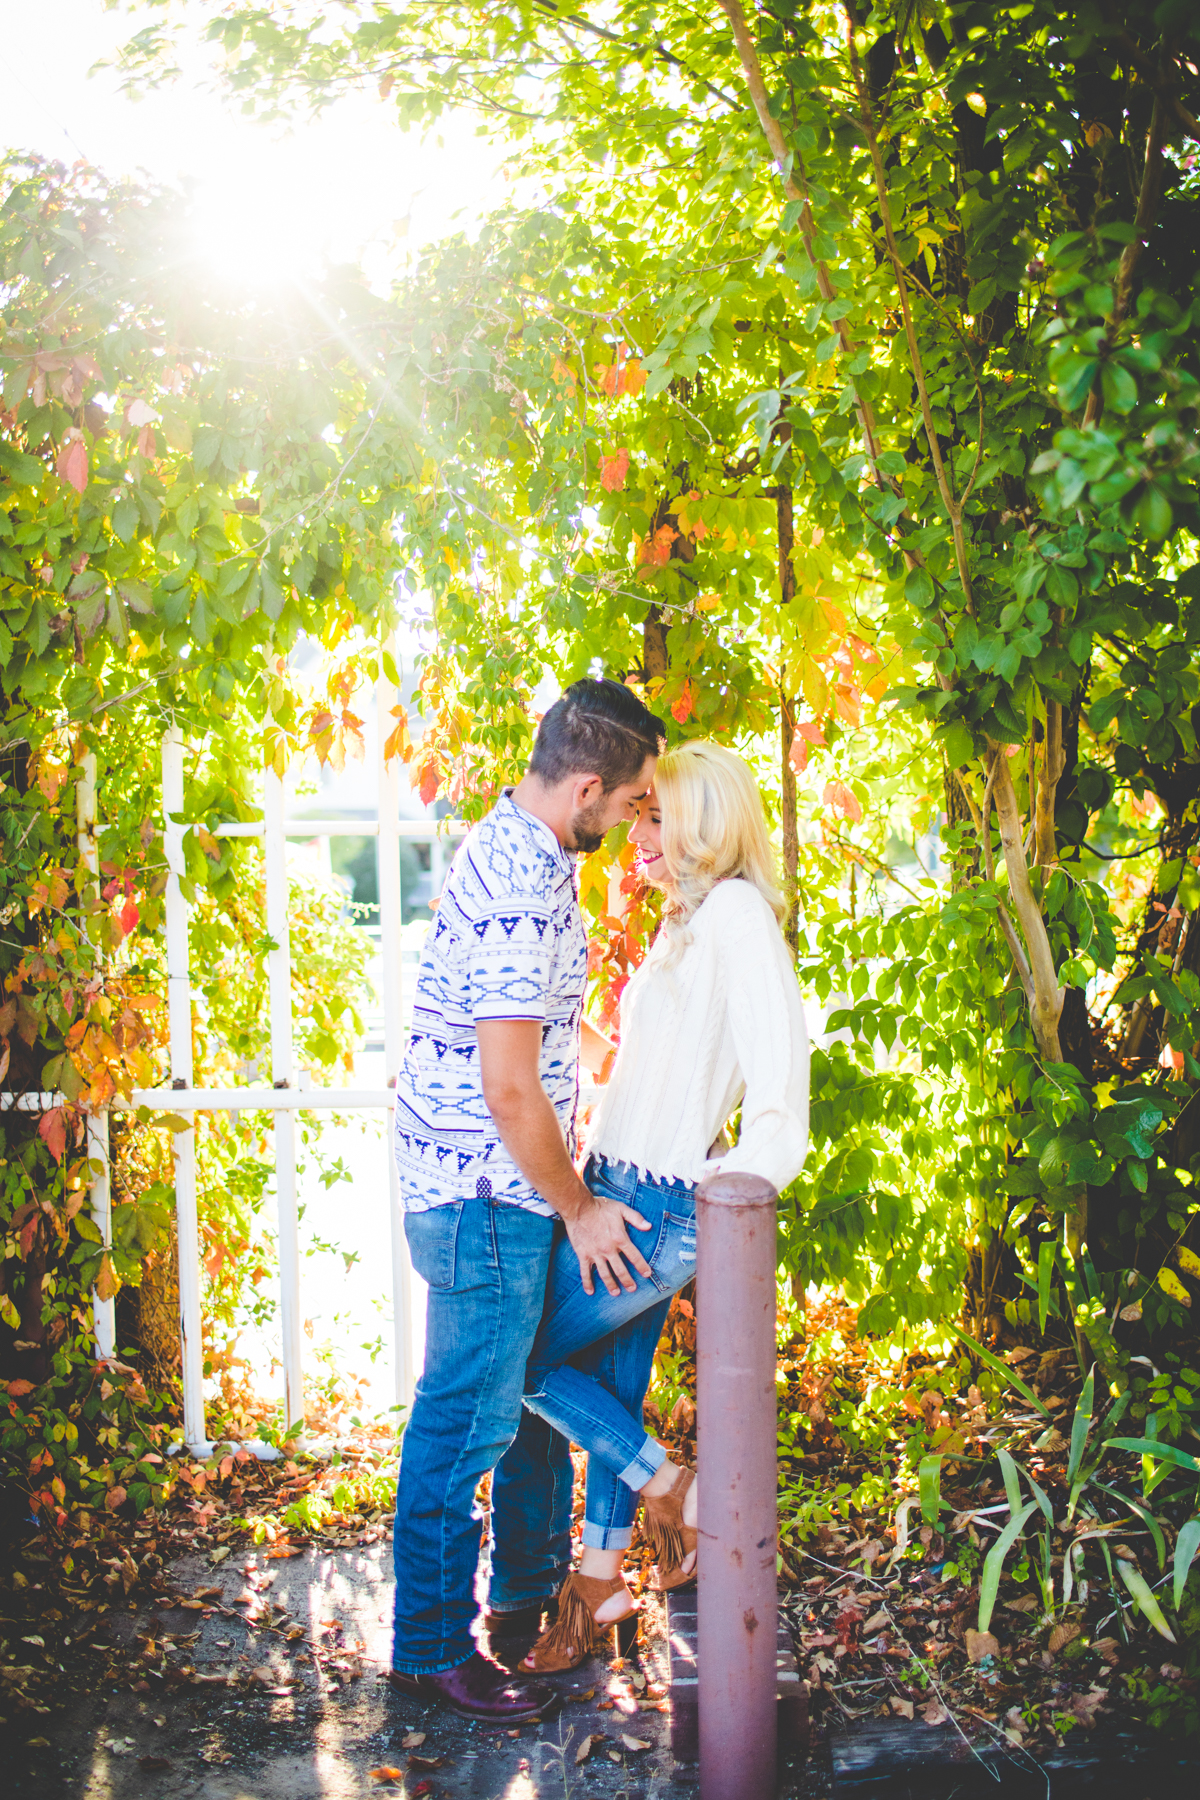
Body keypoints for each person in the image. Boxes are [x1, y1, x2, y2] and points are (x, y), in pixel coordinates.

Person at [482, 741, 810, 1671]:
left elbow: (783, 1103)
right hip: (625, 1183)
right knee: (615, 1394)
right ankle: (601, 1585)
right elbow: (655, 1074)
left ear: (708, 824)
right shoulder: (690, 923)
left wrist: (718, 1196)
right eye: (639, 814)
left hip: (657, 1206)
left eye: (659, 817)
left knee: (517, 1363)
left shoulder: (742, 917)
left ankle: (682, 1492)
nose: (639, 831)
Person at [387, 677, 666, 1725]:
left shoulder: (528, 857)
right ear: (589, 786)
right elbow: (509, 1087)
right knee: (466, 1426)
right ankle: (427, 1654)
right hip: (484, 1196)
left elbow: (539, 1038)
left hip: (497, 1190)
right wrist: (584, 1210)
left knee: (525, 1420)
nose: (637, 819)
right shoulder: (518, 884)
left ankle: (522, 1608)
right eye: (634, 802)